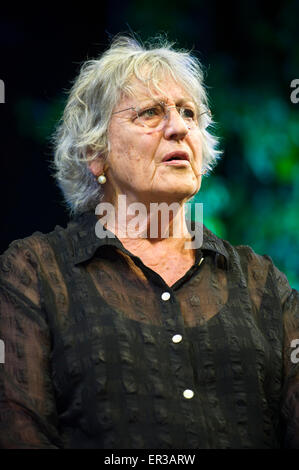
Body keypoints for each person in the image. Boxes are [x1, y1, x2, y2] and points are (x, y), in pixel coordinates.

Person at [0, 35, 298, 450]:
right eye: (151, 113)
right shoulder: (34, 270)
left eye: (189, 114)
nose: (178, 127)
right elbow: (18, 428)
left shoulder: (263, 283)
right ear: (95, 152)